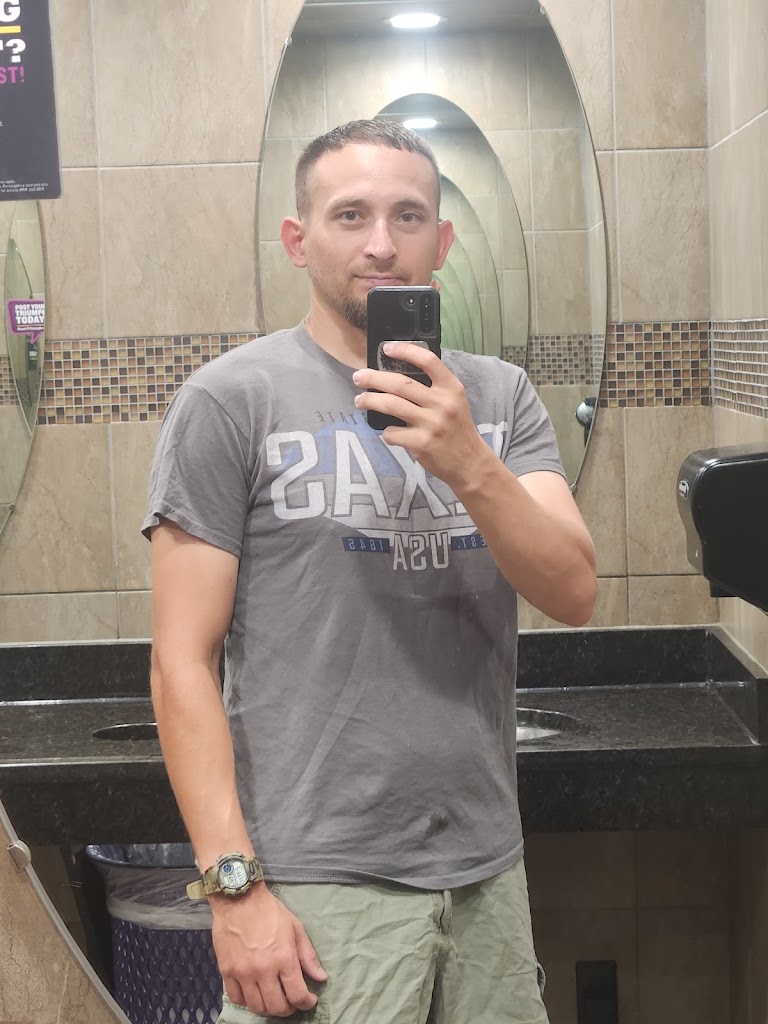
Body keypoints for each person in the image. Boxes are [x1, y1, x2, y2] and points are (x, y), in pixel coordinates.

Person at [144, 119, 597, 1024]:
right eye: (350, 215)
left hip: (484, 870)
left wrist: (468, 462)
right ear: (298, 238)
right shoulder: (231, 401)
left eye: (408, 216)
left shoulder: (499, 398)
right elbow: (180, 661)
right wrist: (234, 889)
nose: (382, 243)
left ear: (444, 239)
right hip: (315, 879)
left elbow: (573, 590)